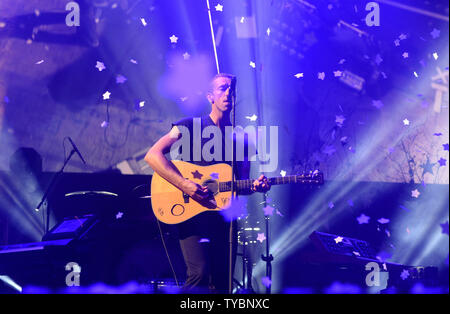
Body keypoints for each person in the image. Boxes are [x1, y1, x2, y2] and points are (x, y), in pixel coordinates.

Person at [145, 73, 270, 293]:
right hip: (191, 213)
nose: (229, 92)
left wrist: (254, 186)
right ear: (210, 96)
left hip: (224, 217)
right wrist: (185, 185)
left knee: (223, 280)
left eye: (232, 89)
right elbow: (153, 155)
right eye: (222, 88)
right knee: (200, 273)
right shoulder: (188, 126)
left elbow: (240, 183)